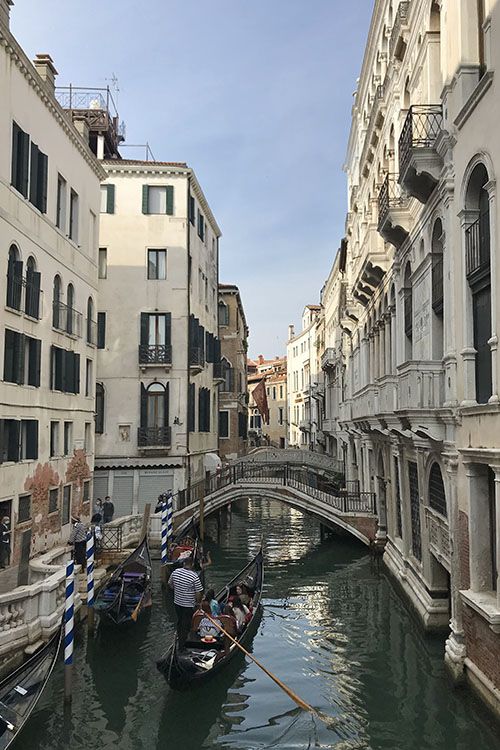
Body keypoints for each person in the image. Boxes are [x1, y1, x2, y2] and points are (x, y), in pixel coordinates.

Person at [168, 556, 203, 648]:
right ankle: (182, 646)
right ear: (191, 565)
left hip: (177, 603)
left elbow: (170, 584)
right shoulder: (194, 576)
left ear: (183, 563)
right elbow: (198, 592)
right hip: (188, 605)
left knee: (180, 621)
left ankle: (179, 639)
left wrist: (178, 590)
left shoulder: (175, 572)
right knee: (186, 625)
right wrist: (198, 603)